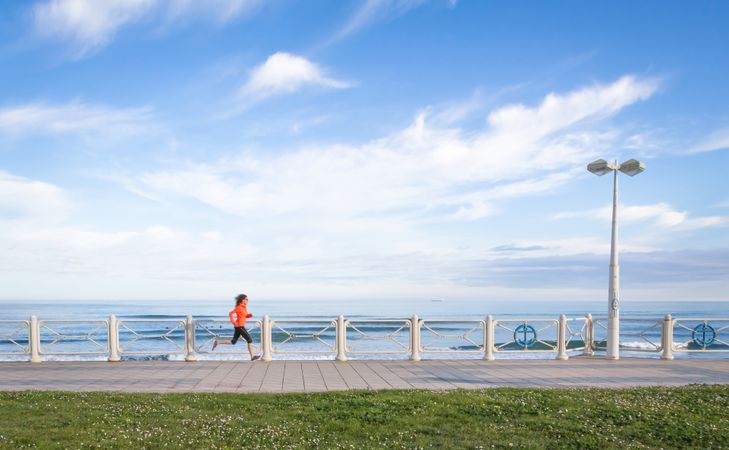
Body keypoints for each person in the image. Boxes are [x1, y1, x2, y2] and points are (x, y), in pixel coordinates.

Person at [212, 294, 260, 361]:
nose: (247, 300)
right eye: (246, 299)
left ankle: (217, 343)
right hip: (239, 326)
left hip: (239, 326)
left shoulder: (244, 307)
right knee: (249, 340)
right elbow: (230, 313)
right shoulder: (239, 307)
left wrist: (249, 315)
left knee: (233, 342)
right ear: (242, 300)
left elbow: (245, 316)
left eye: (247, 299)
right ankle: (252, 356)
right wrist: (233, 322)